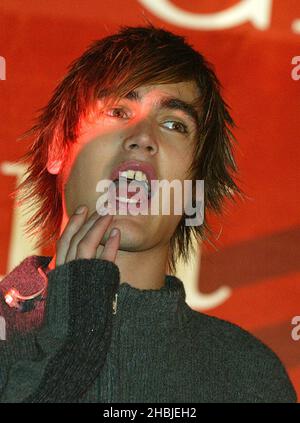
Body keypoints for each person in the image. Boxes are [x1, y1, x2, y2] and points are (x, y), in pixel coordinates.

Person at [0, 25, 296, 403]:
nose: (143, 136)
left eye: (174, 124)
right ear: (58, 147)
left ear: (195, 187)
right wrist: (69, 350)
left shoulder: (248, 376)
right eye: (119, 110)